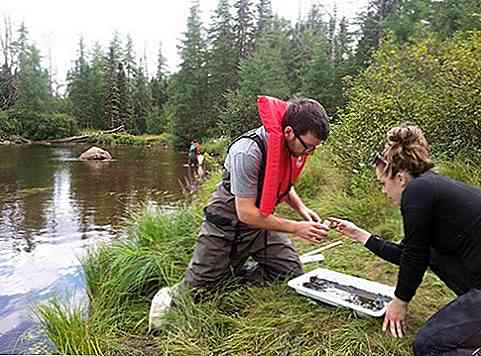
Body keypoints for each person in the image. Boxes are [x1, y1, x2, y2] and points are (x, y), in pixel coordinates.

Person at [149, 96, 330, 329]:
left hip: (259, 227)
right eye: (308, 147)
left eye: (315, 148)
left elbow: (282, 183)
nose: (310, 153)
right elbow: (245, 213)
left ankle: (231, 273)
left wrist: (302, 209)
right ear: (288, 132)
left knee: (290, 271)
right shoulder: (247, 153)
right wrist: (297, 228)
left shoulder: (290, 148)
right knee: (197, 293)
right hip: (224, 225)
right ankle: (177, 291)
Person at [328, 123, 481, 356]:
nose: (383, 191)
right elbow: (410, 253)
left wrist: (400, 301)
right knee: (435, 255)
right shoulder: (431, 187)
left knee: (429, 346)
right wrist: (359, 234)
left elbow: (415, 257)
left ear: (399, 177)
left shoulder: (417, 191)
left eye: (383, 183)